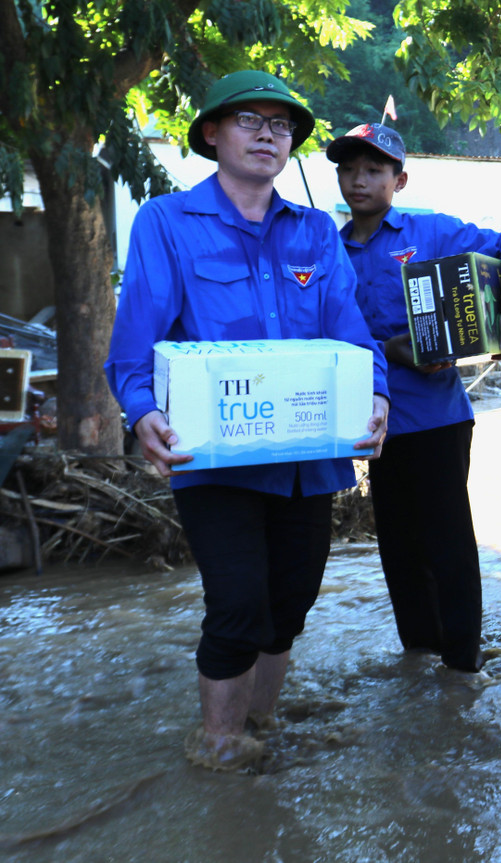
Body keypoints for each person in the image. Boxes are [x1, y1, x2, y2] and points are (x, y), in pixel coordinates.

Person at [105, 71, 390, 771]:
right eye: (249, 120)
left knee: (288, 606)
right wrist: (141, 410)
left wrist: (376, 395)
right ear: (212, 133)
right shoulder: (168, 223)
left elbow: (350, 333)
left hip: (308, 460)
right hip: (214, 459)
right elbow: (135, 340)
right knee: (236, 603)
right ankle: (220, 744)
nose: (269, 134)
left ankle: (262, 724)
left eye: (282, 125)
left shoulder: (316, 233)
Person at [328, 122, 501, 672]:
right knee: (396, 543)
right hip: (374, 423)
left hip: (439, 418)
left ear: (400, 180)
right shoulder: (327, 251)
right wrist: (388, 349)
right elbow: (326, 331)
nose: (359, 181)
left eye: (373, 170)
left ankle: (463, 666)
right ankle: (417, 655)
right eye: (348, 170)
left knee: (449, 542)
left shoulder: (432, 232)